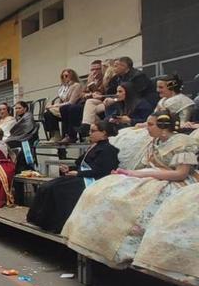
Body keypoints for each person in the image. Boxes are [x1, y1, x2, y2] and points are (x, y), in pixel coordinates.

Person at [63, 110, 198, 269]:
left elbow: (181, 173)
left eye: (150, 124)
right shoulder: (154, 142)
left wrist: (141, 174)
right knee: (103, 189)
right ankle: (98, 242)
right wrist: (130, 173)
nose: (146, 128)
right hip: (150, 177)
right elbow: (146, 165)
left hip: (173, 181)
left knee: (134, 201)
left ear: (163, 125)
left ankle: (129, 249)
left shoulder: (182, 142)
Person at [27, 122, 120, 233]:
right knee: (46, 186)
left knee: (57, 189)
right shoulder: (93, 146)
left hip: (92, 181)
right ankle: (39, 220)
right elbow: (80, 165)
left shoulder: (109, 150)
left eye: (93, 131)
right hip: (82, 177)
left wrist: (78, 173)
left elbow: (101, 171)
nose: (89, 134)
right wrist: (69, 169)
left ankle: (56, 225)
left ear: (104, 133)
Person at [112, 74, 196, 169]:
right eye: (157, 87)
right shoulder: (162, 100)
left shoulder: (184, 101)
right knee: (125, 134)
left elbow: (183, 122)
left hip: (168, 131)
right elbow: (153, 116)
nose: (157, 90)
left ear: (171, 87)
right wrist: (145, 124)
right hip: (155, 127)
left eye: (161, 87)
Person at [79, 56, 152, 137]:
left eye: (116, 65)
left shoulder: (138, 77)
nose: (113, 68)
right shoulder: (116, 78)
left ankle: (92, 128)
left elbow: (136, 94)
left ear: (124, 66)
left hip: (135, 106)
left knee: (106, 108)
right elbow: (111, 92)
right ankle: (88, 126)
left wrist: (115, 99)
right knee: (89, 105)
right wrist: (103, 96)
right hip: (119, 103)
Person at [61, 60, 104, 143]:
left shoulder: (104, 79)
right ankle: (66, 135)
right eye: (92, 69)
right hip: (86, 102)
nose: (94, 71)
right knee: (64, 108)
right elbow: (82, 93)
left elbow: (101, 93)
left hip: (97, 103)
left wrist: (91, 86)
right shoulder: (89, 80)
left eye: (97, 69)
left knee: (73, 108)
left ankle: (72, 136)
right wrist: (86, 94)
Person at [43, 69, 84, 142]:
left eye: (66, 76)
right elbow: (61, 101)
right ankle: (55, 135)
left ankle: (70, 136)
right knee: (47, 113)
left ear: (72, 76)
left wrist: (54, 106)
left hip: (73, 107)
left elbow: (72, 102)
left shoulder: (76, 86)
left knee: (63, 109)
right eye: (62, 76)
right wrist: (54, 106)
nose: (64, 78)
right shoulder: (63, 87)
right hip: (64, 106)